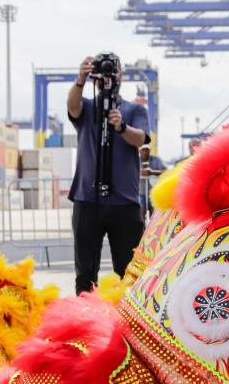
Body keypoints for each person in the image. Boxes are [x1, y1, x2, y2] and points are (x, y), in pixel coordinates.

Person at [68, 53, 150, 294]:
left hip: (124, 202)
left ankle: (126, 316)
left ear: (121, 75)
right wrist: (80, 79)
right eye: (103, 70)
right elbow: (72, 107)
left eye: (113, 70)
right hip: (87, 200)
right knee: (85, 275)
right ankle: (85, 315)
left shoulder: (135, 109)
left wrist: (121, 127)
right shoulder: (87, 106)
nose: (108, 75)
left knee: (129, 275)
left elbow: (140, 139)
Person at [139, 144, 166, 219]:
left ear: (150, 150)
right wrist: (139, 172)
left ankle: (152, 226)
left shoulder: (156, 159)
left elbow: (166, 171)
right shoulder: (135, 160)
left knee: (154, 213)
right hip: (140, 192)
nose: (145, 152)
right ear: (139, 151)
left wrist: (152, 172)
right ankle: (142, 226)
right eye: (143, 150)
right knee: (141, 211)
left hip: (154, 191)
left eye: (147, 150)